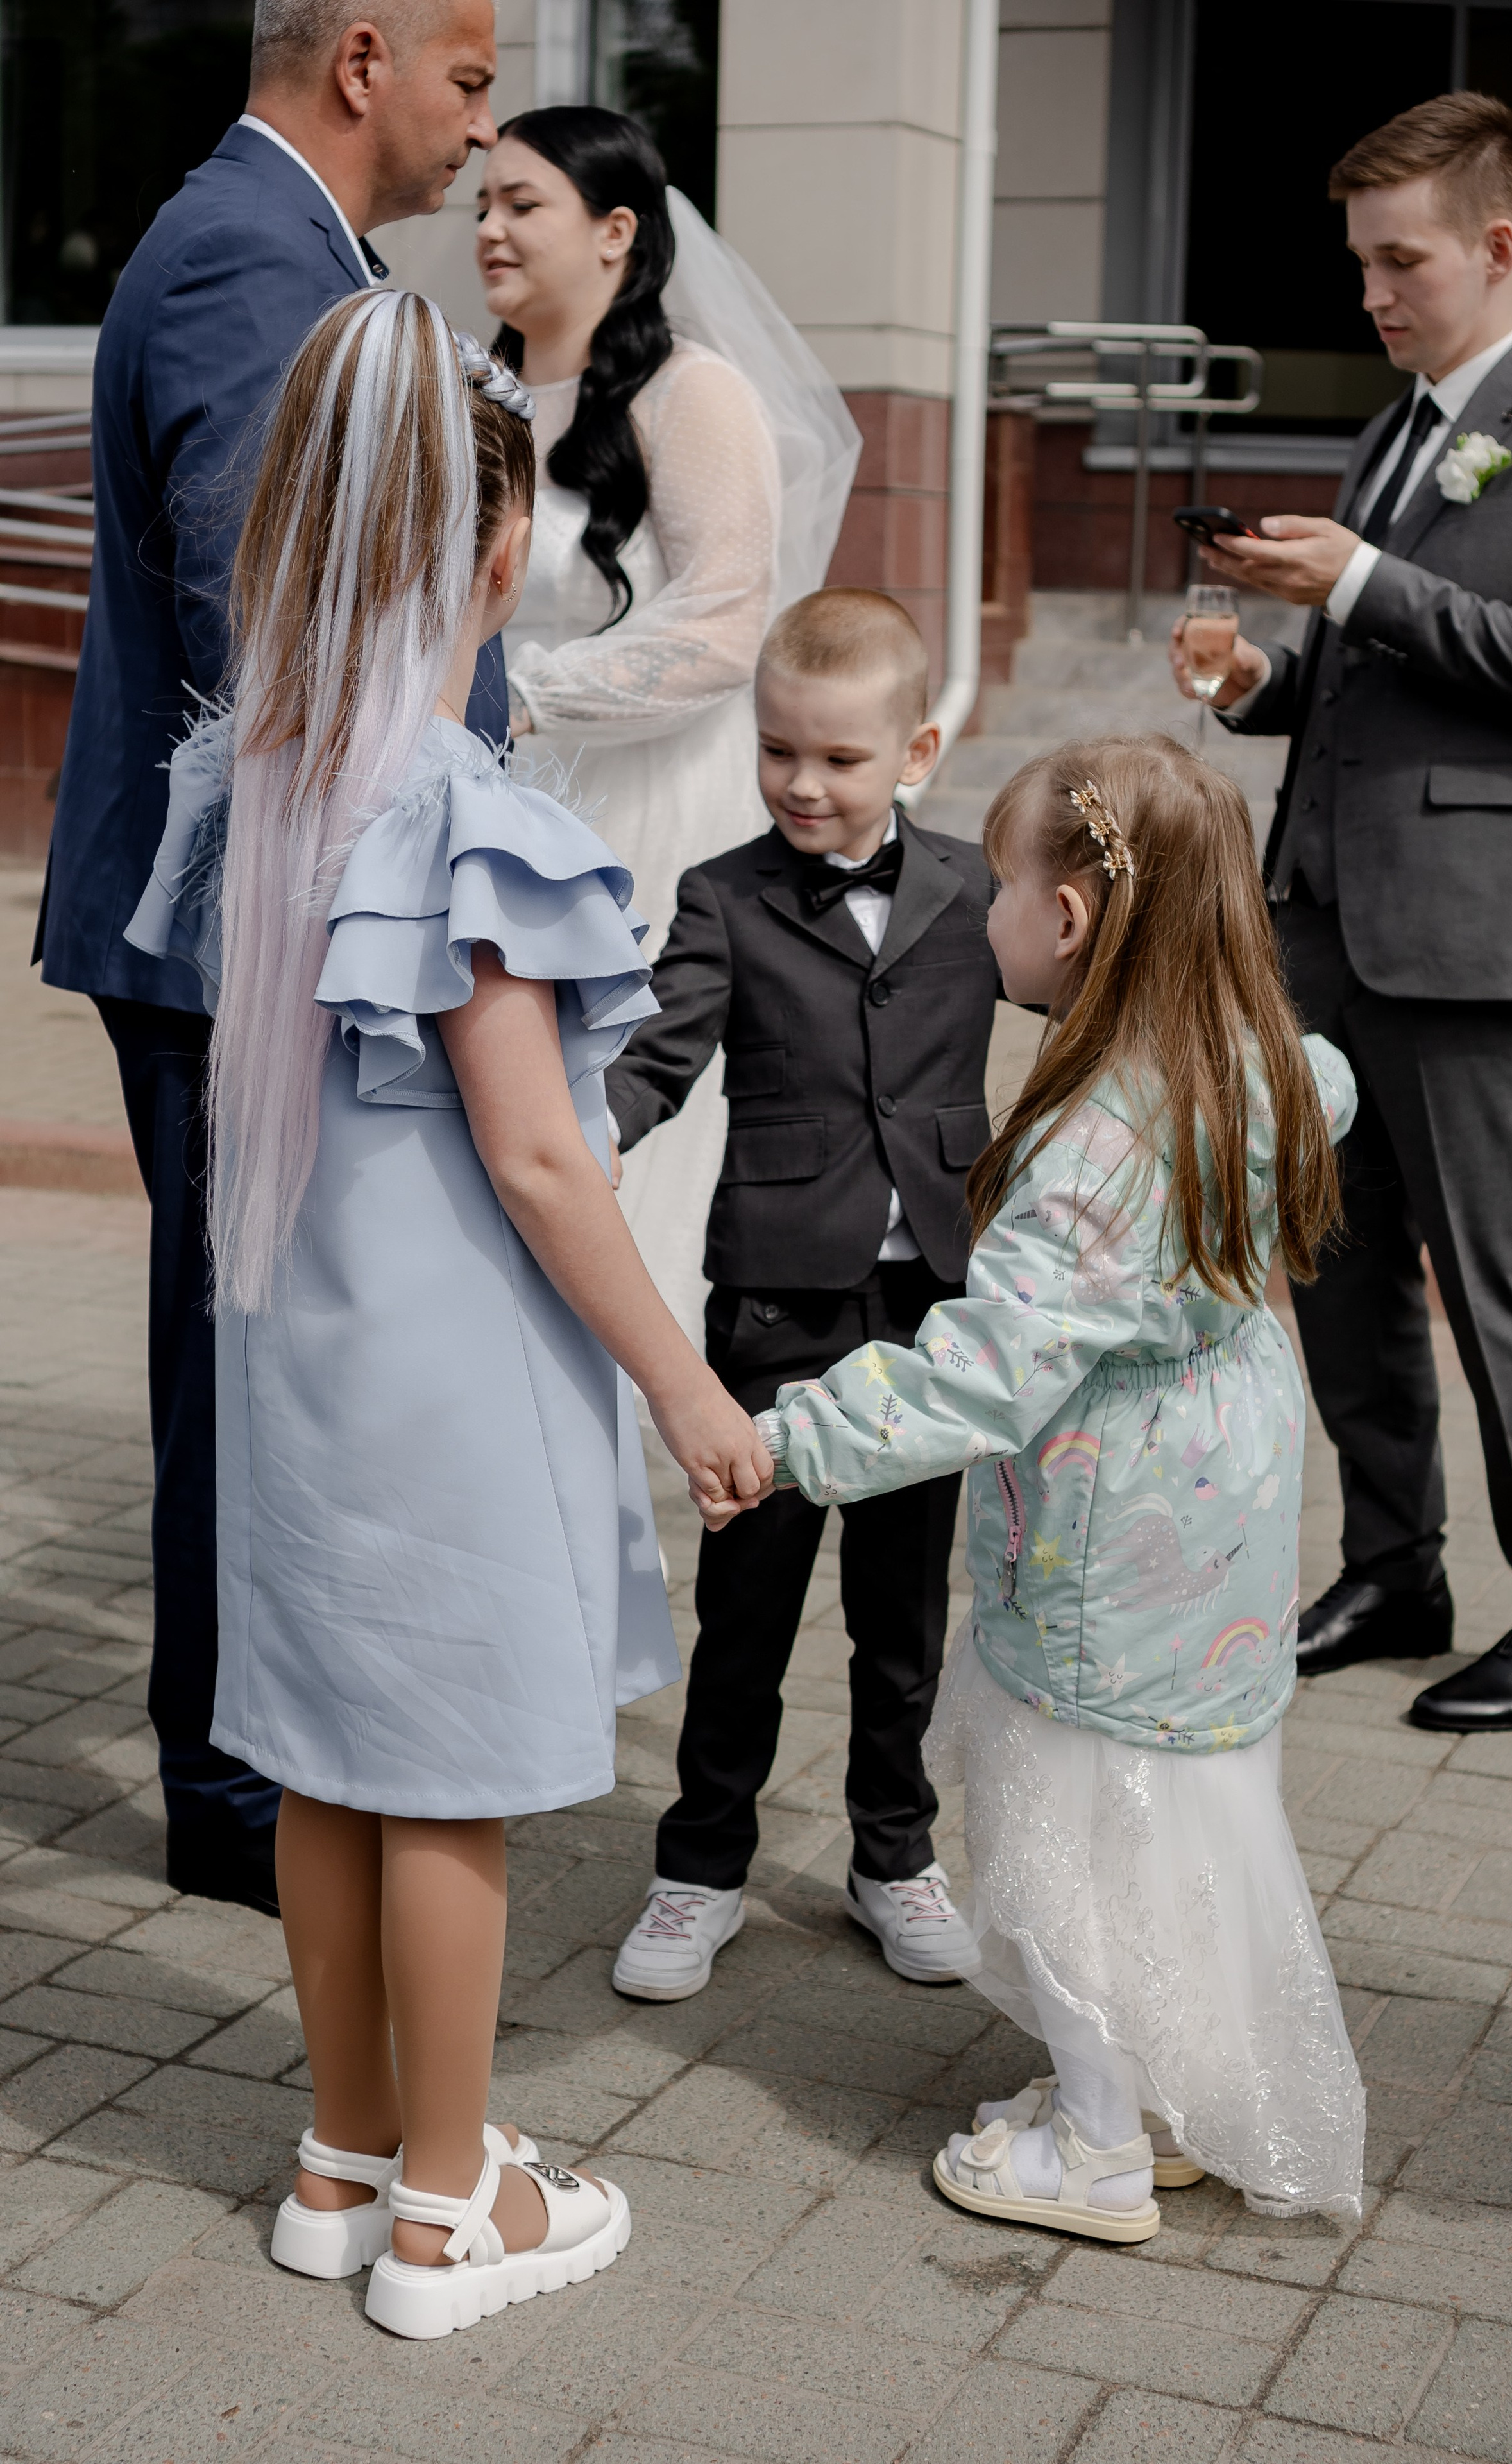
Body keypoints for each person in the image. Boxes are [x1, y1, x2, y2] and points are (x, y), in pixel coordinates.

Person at [125, 289, 772, 2337]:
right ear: (493, 556)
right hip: (449, 1384)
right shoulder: (461, 815)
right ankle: (444, 2216)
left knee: (327, 1766)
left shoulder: (267, 787)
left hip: (298, 1364)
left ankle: (337, 2157)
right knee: (449, 1790)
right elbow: (545, 1163)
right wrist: (684, 1388)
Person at [751, 734, 1367, 2234]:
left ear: (1072, 921)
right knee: (1177, 1814)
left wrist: (786, 1441)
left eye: (1002, 887)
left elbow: (980, 1371)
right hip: (1215, 1513)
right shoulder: (1263, 1067)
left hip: (1108, 1538)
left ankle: (1095, 2147)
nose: (981, 917)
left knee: (1071, 1834)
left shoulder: (1096, 1146)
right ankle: (1157, 2101)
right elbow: (1336, 1087)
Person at [35, 0, 509, 1919]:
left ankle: (253, 1759)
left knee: (258, 1346)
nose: (486, 132)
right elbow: (281, 625)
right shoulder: (251, 249)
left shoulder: (291, 245)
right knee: (246, 1356)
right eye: (473, 82)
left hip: (259, 913)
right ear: (367, 57)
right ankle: (238, 1796)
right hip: (255, 924)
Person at [1179, 92, 1512, 1731]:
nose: (1371, 292)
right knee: (1338, 1267)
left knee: (1497, 1282)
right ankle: (1394, 1566)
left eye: (1400, 260)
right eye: (1361, 262)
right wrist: (1257, 681)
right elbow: (1387, 683)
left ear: (1494, 246)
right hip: (1326, 921)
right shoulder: (1393, 432)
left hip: (1467, 938)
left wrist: (1361, 583)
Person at [605, 590, 1000, 1999]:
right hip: (775, 1298)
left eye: (837, 758)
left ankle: (891, 1855)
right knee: (750, 1601)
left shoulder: (973, 889)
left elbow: (1084, 998)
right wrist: (587, 1130)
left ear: (917, 750)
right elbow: (660, 1048)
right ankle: (699, 1864)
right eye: (779, 751)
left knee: (902, 1614)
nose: (802, 783)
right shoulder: (726, 893)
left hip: (932, 1313)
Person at [477, 105, 860, 1346]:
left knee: (630, 1114)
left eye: (523, 204)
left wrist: (522, 696)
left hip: (653, 815)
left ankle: (654, 1408)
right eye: (484, 201)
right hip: (496, 805)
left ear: (616, 232)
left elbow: (725, 625)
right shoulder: (470, 396)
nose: (487, 227)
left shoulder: (695, 395)